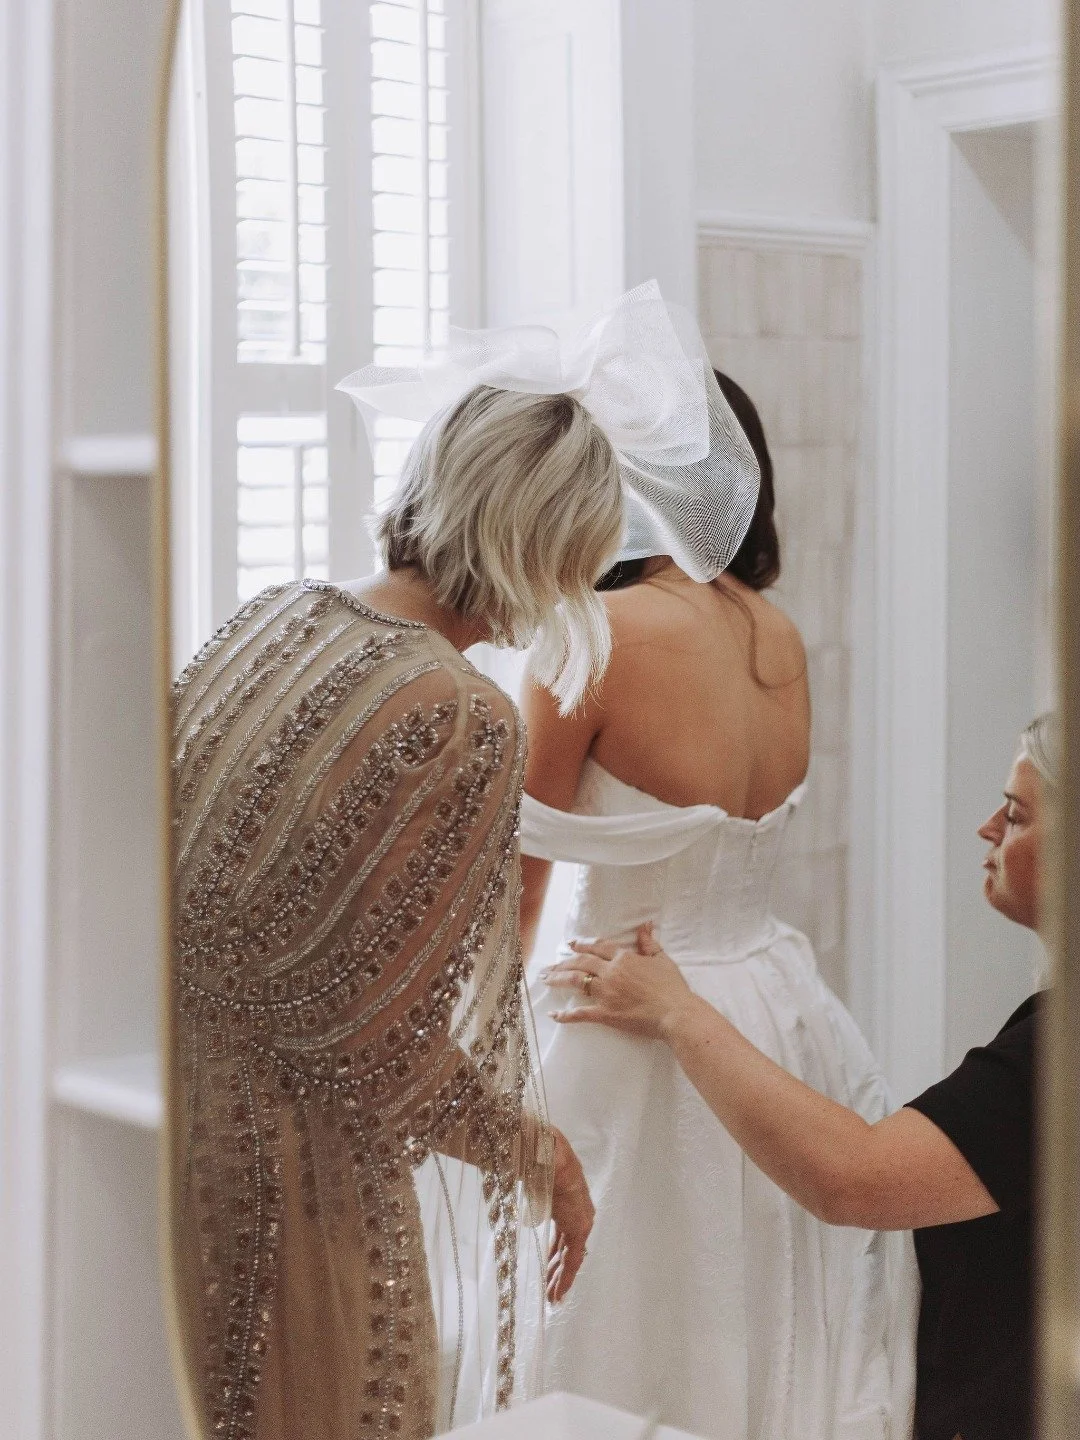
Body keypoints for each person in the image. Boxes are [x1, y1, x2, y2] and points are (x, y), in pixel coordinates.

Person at [168, 282, 759, 1440]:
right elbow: (383, 1048)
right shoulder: (456, 714)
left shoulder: (270, 616)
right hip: (285, 1181)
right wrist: (541, 1156)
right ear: (553, 539)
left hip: (160, 1127)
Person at [515, 371, 918, 1439]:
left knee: (619, 1336)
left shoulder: (590, 638)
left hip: (630, 1010)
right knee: (757, 1313)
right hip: (775, 1012)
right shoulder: (774, 632)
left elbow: (511, 889)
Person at [551, 713, 1057, 1440]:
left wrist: (678, 1013)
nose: (985, 829)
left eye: (1015, 814)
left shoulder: (1057, 1055)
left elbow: (856, 1178)